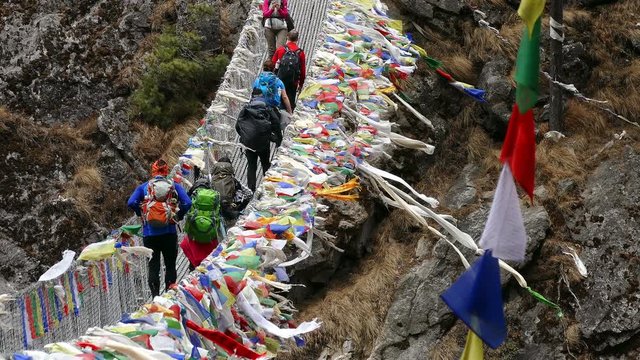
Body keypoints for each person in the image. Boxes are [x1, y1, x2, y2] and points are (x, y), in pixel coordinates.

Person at [127, 159, 192, 297]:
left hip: (149, 234)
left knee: (153, 266)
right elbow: (187, 202)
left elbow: (131, 202)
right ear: (167, 171)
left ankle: (155, 297)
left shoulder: (144, 187)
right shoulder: (174, 186)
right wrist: (178, 216)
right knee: (170, 265)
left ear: (153, 171)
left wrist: (141, 214)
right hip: (169, 232)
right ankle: (170, 295)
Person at [236, 88, 283, 192]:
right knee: (265, 164)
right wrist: (278, 140)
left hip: (249, 143)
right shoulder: (266, 108)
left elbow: (237, 126)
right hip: (263, 142)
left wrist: (245, 136)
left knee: (251, 166)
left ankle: (250, 190)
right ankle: (268, 186)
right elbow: (276, 123)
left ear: (252, 96)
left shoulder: (246, 109)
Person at [272, 29, 306, 110]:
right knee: (289, 102)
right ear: (297, 39)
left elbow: (272, 64)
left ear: (287, 37)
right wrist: (300, 84)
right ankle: (288, 117)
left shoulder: (281, 49)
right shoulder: (300, 53)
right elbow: (303, 71)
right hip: (293, 81)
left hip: (279, 80)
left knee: (277, 99)